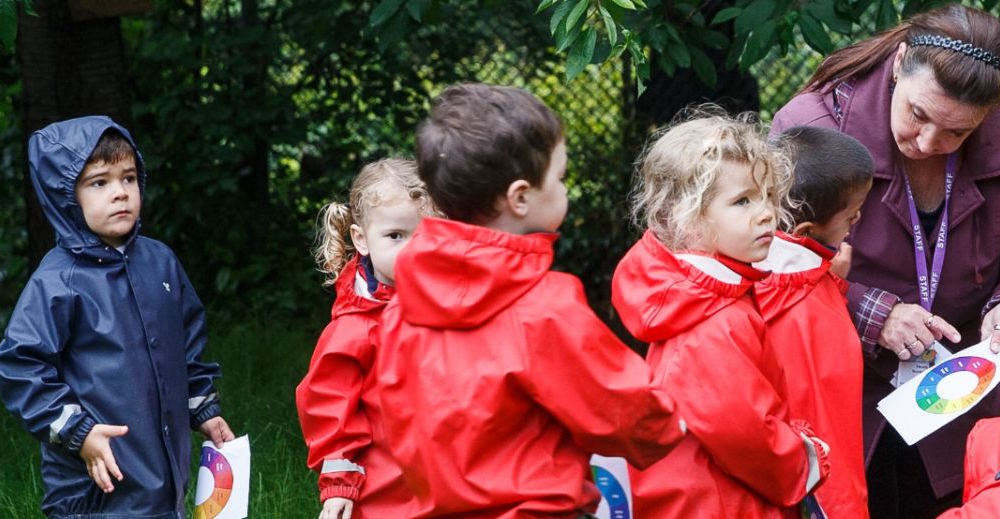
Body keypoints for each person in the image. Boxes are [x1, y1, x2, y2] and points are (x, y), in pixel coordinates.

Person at [772, 5, 1000, 514]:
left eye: (956, 133)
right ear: (899, 64)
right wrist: (873, 314)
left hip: (956, 389)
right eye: (918, 114)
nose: (925, 143)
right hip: (839, 385)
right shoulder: (812, 127)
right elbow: (770, 264)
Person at [371, 84, 684, 517]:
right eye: (560, 178)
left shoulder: (399, 310)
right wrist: (669, 426)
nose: (564, 190)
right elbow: (616, 405)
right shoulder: (544, 305)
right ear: (520, 197)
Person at [0, 116, 235, 517]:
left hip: (162, 474)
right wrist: (78, 432)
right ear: (65, 196)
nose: (120, 193)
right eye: (99, 183)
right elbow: (19, 366)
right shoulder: (58, 281)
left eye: (128, 178)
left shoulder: (160, 262)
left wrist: (205, 411)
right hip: (94, 485)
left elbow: (187, 346)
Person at [612, 109, 830, 518]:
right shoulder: (712, 319)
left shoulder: (695, 295)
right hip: (724, 502)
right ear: (688, 216)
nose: (766, 212)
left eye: (767, 195)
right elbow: (742, 432)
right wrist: (803, 463)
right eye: (742, 200)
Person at [295, 158, 434, 519]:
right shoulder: (356, 327)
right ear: (362, 239)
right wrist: (339, 483)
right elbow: (329, 408)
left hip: (446, 481)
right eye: (395, 236)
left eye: (425, 236)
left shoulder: (452, 307)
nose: (412, 250)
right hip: (383, 494)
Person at [752, 125, 876, 519]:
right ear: (805, 231)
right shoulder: (803, 312)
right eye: (852, 216)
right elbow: (821, 419)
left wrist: (830, 277)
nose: (856, 221)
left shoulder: (757, 274)